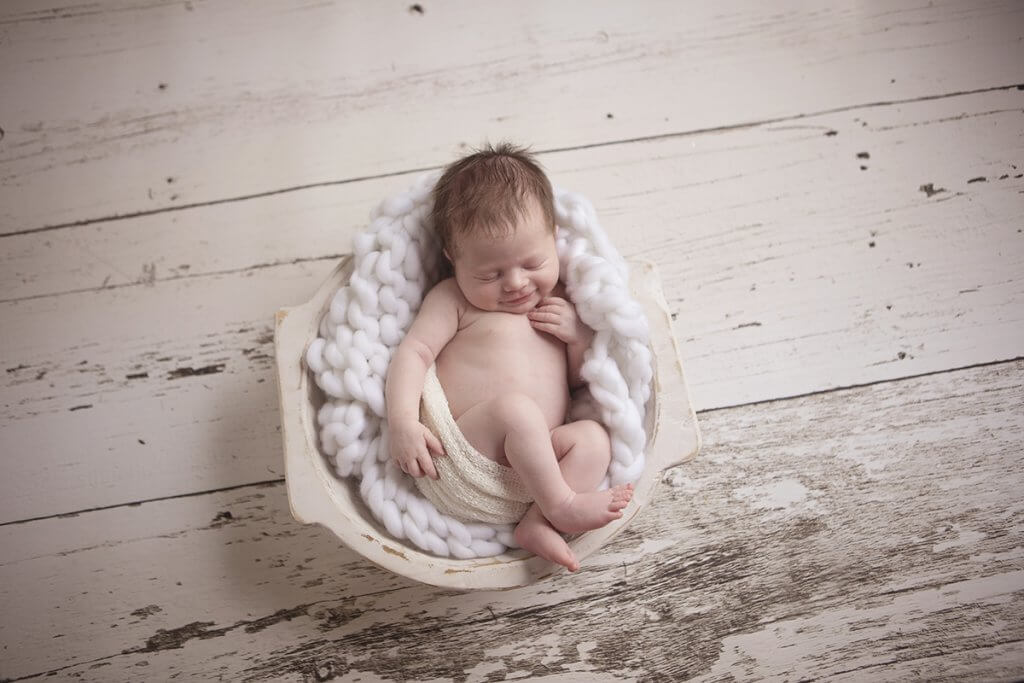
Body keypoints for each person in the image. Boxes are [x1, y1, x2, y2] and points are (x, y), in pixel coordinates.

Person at [385, 142, 633, 572]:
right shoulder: (453, 300)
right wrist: (403, 422)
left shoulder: (559, 303)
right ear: (453, 261)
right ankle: (564, 505)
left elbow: (575, 383)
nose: (516, 283)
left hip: (536, 471)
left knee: (593, 436)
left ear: (553, 238)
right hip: (466, 456)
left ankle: (538, 522)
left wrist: (575, 338)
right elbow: (415, 352)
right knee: (516, 411)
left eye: (533, 262)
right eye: (490, 274)